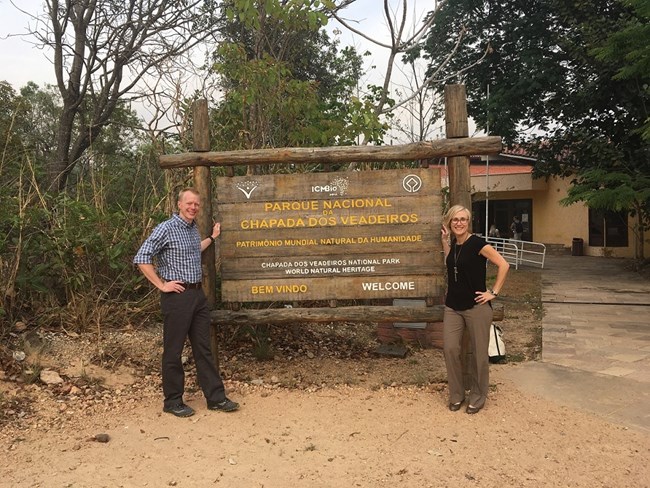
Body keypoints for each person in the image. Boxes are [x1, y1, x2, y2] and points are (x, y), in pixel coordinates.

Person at [134, 188, 239, 418]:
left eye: (196, 204)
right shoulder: (166, 228)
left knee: (203, 348)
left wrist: (211, 237)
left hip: (197, 296)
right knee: (174, 350)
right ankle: (172, 401)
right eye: (189, 203)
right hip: (177, 297)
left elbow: (193, 250)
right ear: (179, 204)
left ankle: (216, 398)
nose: (193, 207)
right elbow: (142, 257)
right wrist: (162, 285)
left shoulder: (192, 229)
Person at [440, 205, 510, 414]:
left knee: (479, 354)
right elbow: (451, 262)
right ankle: (457, 394)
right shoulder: (455, 244)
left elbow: (503, 264)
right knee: (451, 349)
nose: (459, 223)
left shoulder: (478, 243)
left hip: (476, 307)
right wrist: (445, 242)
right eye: (455, 220)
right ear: (450, 223)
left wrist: (493, 292)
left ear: (468, 222)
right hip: (453, 306)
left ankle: (478, 397)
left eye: (463, 219)